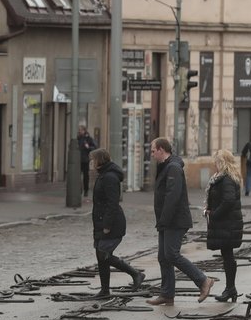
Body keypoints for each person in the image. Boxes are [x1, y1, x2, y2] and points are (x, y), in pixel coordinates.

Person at [147, 138, 215, 306]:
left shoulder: (173, 168)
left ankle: (203, 280)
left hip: (175, 220)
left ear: (162, 150)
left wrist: (164, 220)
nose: (152, 153)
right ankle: (167, 294)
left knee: (171, 254)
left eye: (153, 150)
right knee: (163, 257)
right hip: (166, 220)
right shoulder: (166, 167)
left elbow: (173, 197)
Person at [90, 149, 145, 298]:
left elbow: (112, 203)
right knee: (101, 255)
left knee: (104, 254)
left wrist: (107, 226)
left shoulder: (109, 177)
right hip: (101, 222)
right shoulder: (103, 175)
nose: (91, 163)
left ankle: (136, 274)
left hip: (112, 224)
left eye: (93, 160)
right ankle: (105, 290)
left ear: (99, 160)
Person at [204, 150, 244, 302]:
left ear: (223, 162)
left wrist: (214, 214)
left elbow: (228, 201)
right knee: (227, 256)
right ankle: (230, 289)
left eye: (217, 161)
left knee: (228, 256)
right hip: (228, 224)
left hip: (227, 224)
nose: (215, 164)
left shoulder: (226, 179)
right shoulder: (225, 178)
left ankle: (230, 289)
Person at [77, 124, 97, 197]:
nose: (79, 131)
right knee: (77, 176)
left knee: (86, 176)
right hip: (78, 160)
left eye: (81, 130)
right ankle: (79, 189)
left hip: (85, 159)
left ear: (84, 131)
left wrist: (88, 147)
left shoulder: (88, 138)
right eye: (79, 130)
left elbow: (94, 147)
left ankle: (86, 190)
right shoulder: (78, 138)